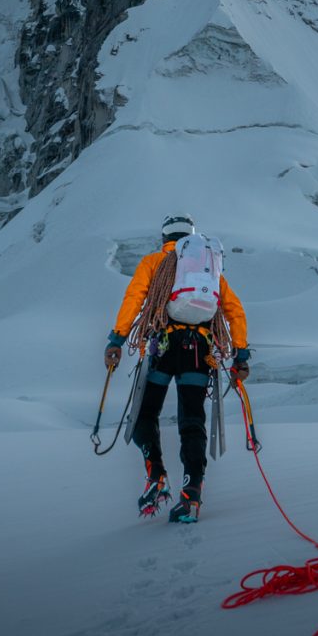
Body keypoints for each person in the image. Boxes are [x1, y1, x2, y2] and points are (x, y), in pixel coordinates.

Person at [105, 214, 250, 523]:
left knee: (145, 414)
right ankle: (192, 494)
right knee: (192, 420)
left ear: (164, 237)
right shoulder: (209, 269)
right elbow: (234, 310)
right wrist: (241, 355)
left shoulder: (154, 262)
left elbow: (134, 298)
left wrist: (117, 338)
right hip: (198, 349)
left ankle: (156, 474)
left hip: (163, 345)